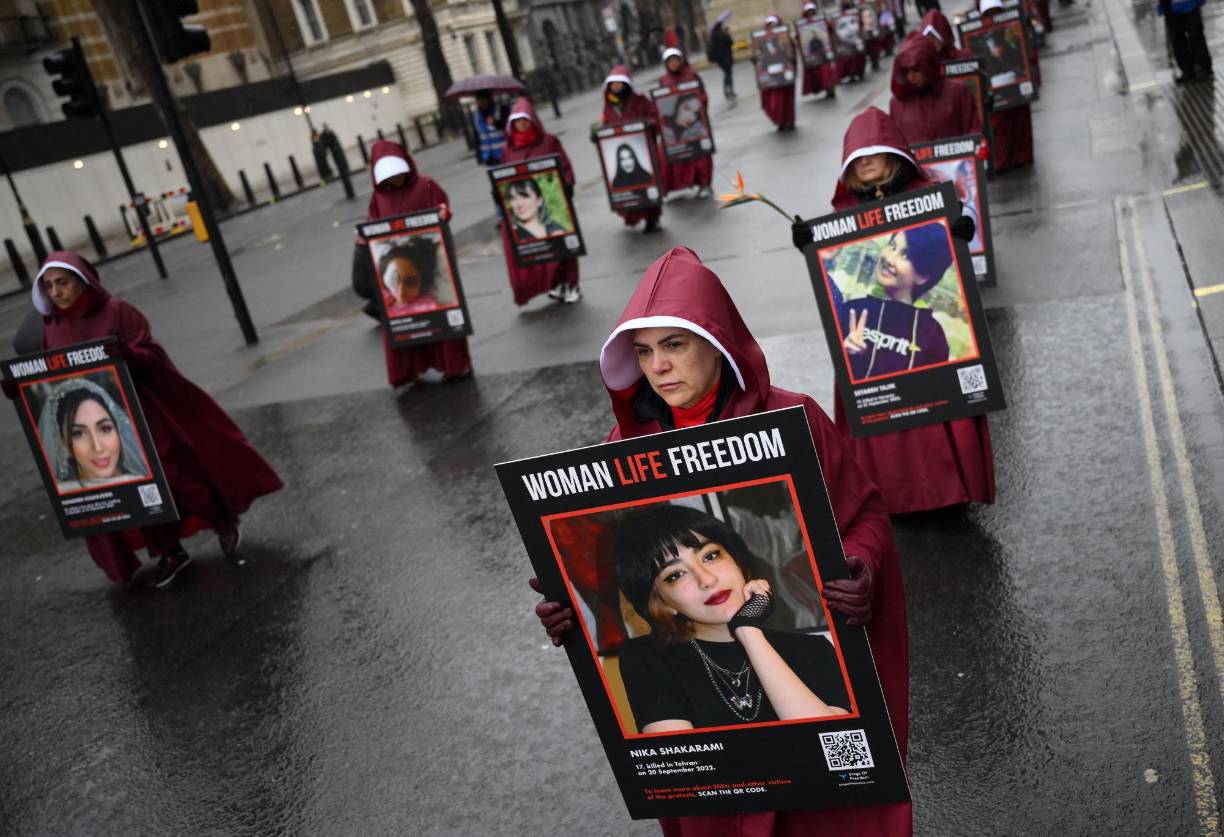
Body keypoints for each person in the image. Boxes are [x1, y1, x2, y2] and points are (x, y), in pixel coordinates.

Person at [531, 245, 912, 836]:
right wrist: (570, 609)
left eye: (674, 345)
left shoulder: (797, 417)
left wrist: (857, 565)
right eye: (643, 351)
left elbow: (863, 514)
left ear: (716, 343)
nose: (658, 367)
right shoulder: (622, 446)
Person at [9, 251, 283, 589]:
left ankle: (221, 518)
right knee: (128, 490)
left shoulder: (118, 312)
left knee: (173, 474)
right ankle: (170, 551)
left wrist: (127, 355)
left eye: (62, 283)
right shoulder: (53, 328)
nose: (56, 292)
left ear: (82, 281)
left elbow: (151, 355)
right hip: (96, 427)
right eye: (49, 286)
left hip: (140, 413)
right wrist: (22, 387)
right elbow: (57, 378)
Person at [793, 107, 995, 513]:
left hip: (917, 342)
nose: (864, 160)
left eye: (873, 151)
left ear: (894, 154)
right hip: (865, 342)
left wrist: (958, 233)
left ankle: (947, 492)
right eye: (855, 156)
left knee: (934, 403)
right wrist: (809, 246)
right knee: (877, 410)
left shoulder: (929, 198)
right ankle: (890, 496)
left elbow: (954, 258)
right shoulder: (842, 217)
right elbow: (834, 285)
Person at [614, 504, 850, 731]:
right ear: (663, 604)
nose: (706, 579)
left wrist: (748, 630)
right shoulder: (647, 659)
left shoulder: (811, 650)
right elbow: (684, 765)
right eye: (676, 574)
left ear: (738, 562)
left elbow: (833, 743)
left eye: (710, 556)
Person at [364, 140, 471, 385]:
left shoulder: (426, 185)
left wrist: (443, 213)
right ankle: (409, 369)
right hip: (399, 266)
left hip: (428, 263)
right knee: (405, 316)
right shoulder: (377, 198)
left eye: (398, 171)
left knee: (441, 311)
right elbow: (374, 227)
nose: (396, 178)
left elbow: (443, 209)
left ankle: (455, 365)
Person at [836, 224, 954, 380]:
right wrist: (848, 356)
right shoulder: (851, 311)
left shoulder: (931, 334)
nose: (889, 259)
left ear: (923, 275)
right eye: (892, 246)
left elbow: (938, 391)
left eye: (905, 255)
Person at [500, 97, 581, 305]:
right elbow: (504, 177)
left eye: (525, 120)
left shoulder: (549, 141)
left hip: (552, 203)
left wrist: (567, 184)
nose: (522, 125)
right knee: (540, 250)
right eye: (517, 121)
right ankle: (554, 283)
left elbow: (563, 164)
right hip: (526, 208)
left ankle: (571, 284)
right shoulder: (508, 148)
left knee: (561, 245)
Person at [40, 377, 148, 492]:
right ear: (62, 442)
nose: (98, 448)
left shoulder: (144, 484)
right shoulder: (63, 493)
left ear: (118, 430)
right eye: (79, 434)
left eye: (105, 429)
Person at [600, 66, 665, 233]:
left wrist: (646, 125)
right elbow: (606, 126)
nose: (615, 87)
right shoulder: (608, 107)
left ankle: (653, 218)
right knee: (628, 186)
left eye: (619, 83)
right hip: (621, 154)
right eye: (612, 84)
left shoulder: (640, 101)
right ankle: (636, 215)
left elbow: (655, 118)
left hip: (643, 151)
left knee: (647, 183)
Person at [974, 0, 1034, 171]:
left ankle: (1022, 155)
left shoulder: (1011, 30)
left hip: (1014, 83)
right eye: (989, 13)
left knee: (1019, 119)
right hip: (995, 87)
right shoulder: (979, 35)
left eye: (996, 12)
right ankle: (1003, 160)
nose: (993, 17)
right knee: (999, 125)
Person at [889, 34, 982, 143]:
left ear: (929, 66)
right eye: (906, 71)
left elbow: (974, 131)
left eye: (916, 70)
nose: (911, 77)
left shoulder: (957, 91)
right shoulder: (898, 103)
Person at [658, 47, 715, 198]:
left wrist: (697, 111)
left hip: (696, 123)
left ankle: (706, 184)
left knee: (701, 156)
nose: (673, 64)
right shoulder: (664, 80)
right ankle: (695, 182)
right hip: (677, 127)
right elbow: (662, 104)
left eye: (675, 60)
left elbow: (702, 96)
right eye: (670, 61)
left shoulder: (692, 76)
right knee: (684, 156)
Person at [378, 238, 444, 317]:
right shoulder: (384, 297)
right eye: (393, 280)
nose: (401, 291)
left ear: (423, 282)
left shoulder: (426, 308)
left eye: (411, 282)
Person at [754, 16, 797, 131]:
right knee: (774, 103)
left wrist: (790, 62)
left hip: (783, 75)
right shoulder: (762, 41)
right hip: (771, 76)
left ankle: (789, 120)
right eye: (770, 26)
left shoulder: (784, 39)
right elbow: (759, 57)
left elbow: (791, 55)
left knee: (787, 101)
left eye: (774, 25)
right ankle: (780, 121)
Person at [1158, 0, 1213, 83]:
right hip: (1169, 5)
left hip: (1189, 3)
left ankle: (1203, 67)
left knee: (1195, 35)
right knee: (1177, 37)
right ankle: (1187, 69)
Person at [799, 2, 839, 100]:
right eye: (808, 11)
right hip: (813, 56)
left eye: (811, 10)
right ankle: (827, 89)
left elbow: (830, 29)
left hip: (824, 53)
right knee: (818, 74)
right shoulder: (802, 24)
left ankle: (831, 89)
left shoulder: (821, 20)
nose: (810, 13)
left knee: (826, 72)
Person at [471, 90, 508, 164]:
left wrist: (495, 122)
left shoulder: (500, 109)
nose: (481, 102)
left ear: (489, 99)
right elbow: (477, 137)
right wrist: (479, 157)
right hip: (488, 156)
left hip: (504, 153)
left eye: (483, 99)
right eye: (479, 100)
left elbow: (508, 127)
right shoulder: (476, 115)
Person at [706, 17, 737, 99]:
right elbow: (730, 42)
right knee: (728, 73)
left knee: (726, 73)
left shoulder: (713, 36)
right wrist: (727, 33)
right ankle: (729, 89)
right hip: (726, 57)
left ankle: (727, 90)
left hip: (719, 59)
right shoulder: (723, 34)